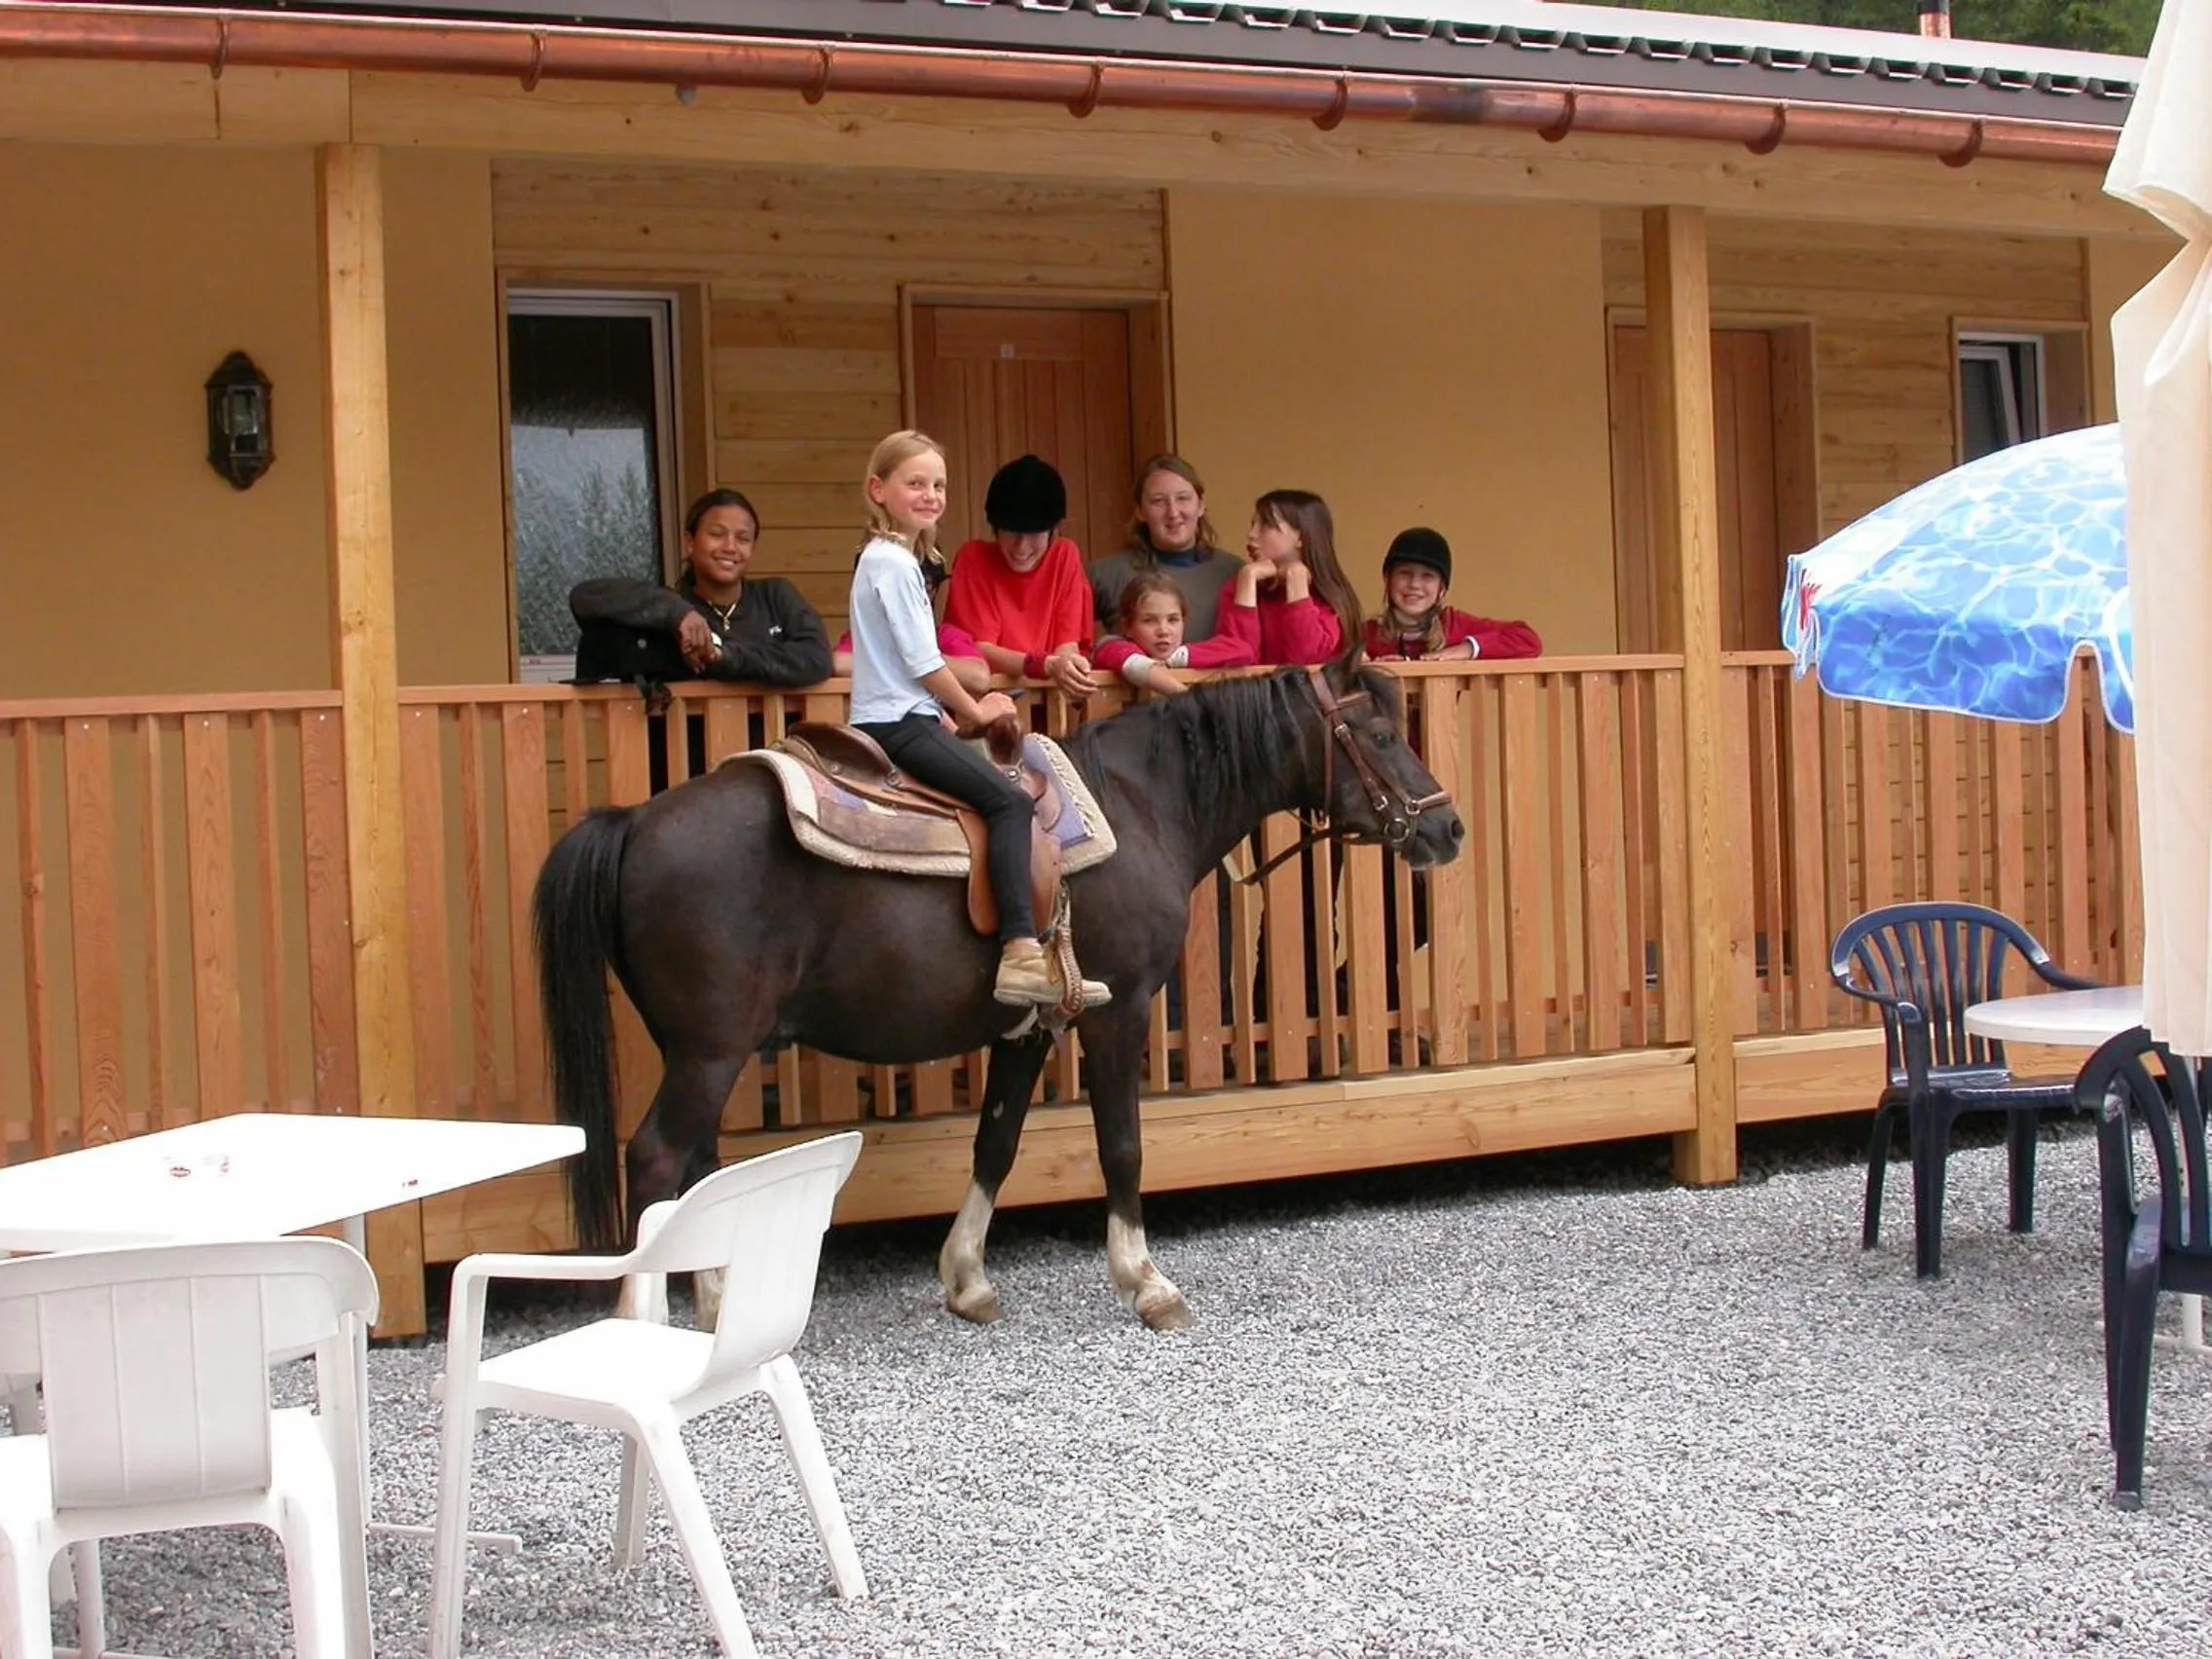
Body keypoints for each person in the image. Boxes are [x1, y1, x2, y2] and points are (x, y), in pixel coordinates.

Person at [846, 431, 1108, 1012]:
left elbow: (902, 666)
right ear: (878, 489)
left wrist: (944, 716)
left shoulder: (888, 558)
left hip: (907, 714)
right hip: (898, 722)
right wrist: (975, 710)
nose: (930, 495)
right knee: (1009, 803)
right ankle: (1020, 954)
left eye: (938, 485)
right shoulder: (895, 563)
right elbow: (924, 662)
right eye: (915, 483)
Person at [569, 488, 831, 687]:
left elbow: (816, 658)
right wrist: (677, 613)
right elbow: (584, 598)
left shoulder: (775, 596)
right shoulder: (671, 611)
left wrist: (726, 657)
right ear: (690, 542)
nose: (730, 547)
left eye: (743, 538)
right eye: (717, 534)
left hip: (771, 743)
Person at [942, 455, 1096, 698]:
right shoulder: (973, 559)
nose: (1021, 546)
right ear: (996, 528)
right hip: (986, 705)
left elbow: (1067, 645)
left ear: (1053, 531)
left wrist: (1066, 667)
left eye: (1034, 533)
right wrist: (1043, 665)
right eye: (1011, 531)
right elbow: (978, 650)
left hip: (1048, 703)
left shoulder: (1064, 555)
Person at [1088, 455, 1245, 644]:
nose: (1173, 512)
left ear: (1201, 505)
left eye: (1183, 498)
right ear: (1140, 511)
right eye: (1158, 501)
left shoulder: (1235, 573)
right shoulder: (1105, 574)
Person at [1214, 489, 1361, 666]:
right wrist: (1247, 577)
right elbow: (1238, 658)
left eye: (1266, 525)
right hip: (1254, 685)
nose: (1251, 534)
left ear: (1301, 537)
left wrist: (1297, 587)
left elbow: (1306, 659)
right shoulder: (1240, 587)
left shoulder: (1329, 596)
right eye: (1253, 525)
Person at [1361, 527, 1543, 662]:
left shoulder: (1454, 625)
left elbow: (1528, 640)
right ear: (1388, 579)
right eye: (1405, 573)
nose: (1414, 584)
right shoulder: (1367, 633)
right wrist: (1369, 667)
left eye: (1427, 576)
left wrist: (1466, 649)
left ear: (1442, 588)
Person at [1091, 570, 1255, 696]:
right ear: (1127, 626)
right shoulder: (1112, 647)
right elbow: (1136, 665)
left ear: (1184, 621)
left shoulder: (1180, 656)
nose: (1163, 631)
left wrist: (1176, 659)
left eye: (1173, 620)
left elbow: (1244, 650)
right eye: (1149, 620)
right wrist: (1187, 698)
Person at [830, 620, 992, 697]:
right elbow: (840, 663)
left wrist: (915, 659)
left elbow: (979, 678)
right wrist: (912, 663)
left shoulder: (944, 635)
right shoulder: (865, 635)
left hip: (940, 733)